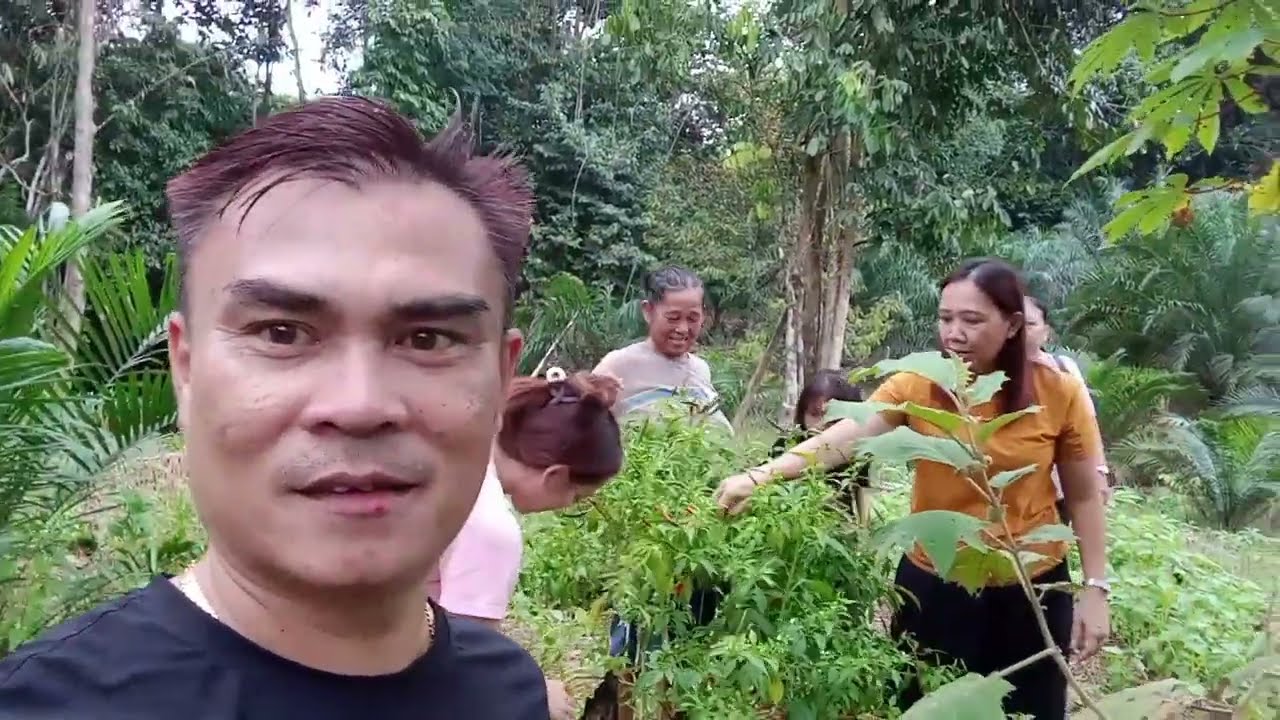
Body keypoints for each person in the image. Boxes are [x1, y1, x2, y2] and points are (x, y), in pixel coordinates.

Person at [0, 97, 550, 718]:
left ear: (502, 378)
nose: (359, 406)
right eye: (281, 333)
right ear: (186, 369)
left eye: (427, 339)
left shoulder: (508, 693)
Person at [714, 258, 1111, 720]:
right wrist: (761, 475)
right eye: (946, 318)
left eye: (972, 320)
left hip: (1031, 589)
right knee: (926, 709)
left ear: (1013, 325)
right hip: (936, 586)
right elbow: (846, 436)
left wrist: (1096, 588)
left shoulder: (1058, 391)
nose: (954, 334)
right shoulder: (919, 384)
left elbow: (1083, 495)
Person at [427, 368, 624, 720]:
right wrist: (531, 689)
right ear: (556, 475)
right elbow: (463, 657)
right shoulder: (490, 527)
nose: (567, 506)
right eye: (577, 497)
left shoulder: (450, 458)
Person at [593, 265, 731, 432]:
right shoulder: (618, 365)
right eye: (673, 318)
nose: (683, 329)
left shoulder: (700, 369)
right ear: (648, 311)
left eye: (692, 318)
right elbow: (580, 422)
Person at [1024, 294, 1113, 524]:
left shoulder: (1064, 368)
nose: (1021, 331)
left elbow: (1087, 424)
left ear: (1046, 332)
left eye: (1030, 324)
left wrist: (1100, 472)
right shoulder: (989, 373)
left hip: (1060, 487)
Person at [772, 369, 873, 525]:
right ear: (802, 412)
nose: (821, 424)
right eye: (814, 414)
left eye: (832, 417)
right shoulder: (787, 443)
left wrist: (865, 528)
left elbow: (862, 490)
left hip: (840, 527)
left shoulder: (856, 448)